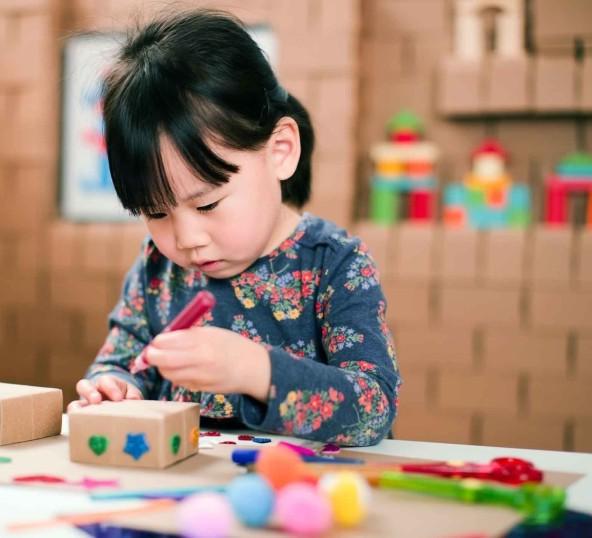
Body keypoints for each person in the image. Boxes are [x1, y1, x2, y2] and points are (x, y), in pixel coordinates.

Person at [70, 8, 400, 446]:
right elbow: (124, 362)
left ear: (279, 151)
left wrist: (256, 371)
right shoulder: (157, 269)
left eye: (207, 203)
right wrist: (113, 387)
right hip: (183, 496)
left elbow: (374, 408)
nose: (186, 239)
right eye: (156, 212)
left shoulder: (334, 264)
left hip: (300, 499)